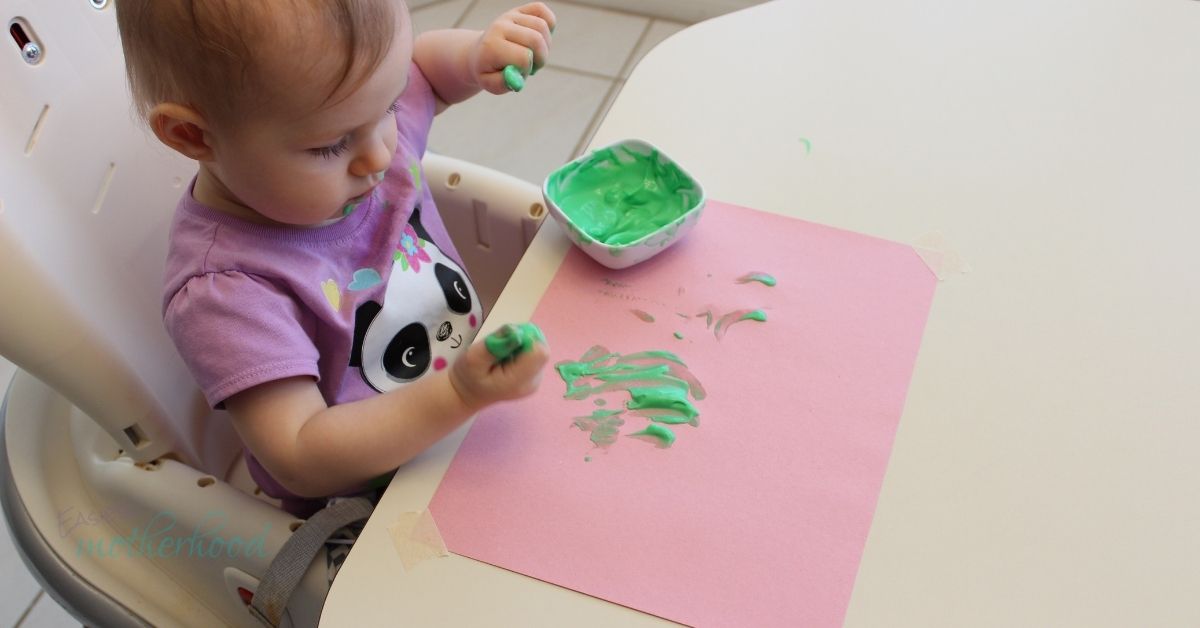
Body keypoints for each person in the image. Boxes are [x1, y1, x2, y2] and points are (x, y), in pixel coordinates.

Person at [114, 0, 555, 519]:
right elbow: (300, 455)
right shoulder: (228, 291)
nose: (380, 155)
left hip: (476, 422)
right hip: (372, 508)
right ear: (193, 136)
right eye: (331, 145)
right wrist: (456, 394)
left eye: (388, 107)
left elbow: (424, 75)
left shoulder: (358, 126)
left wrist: (473, 56)